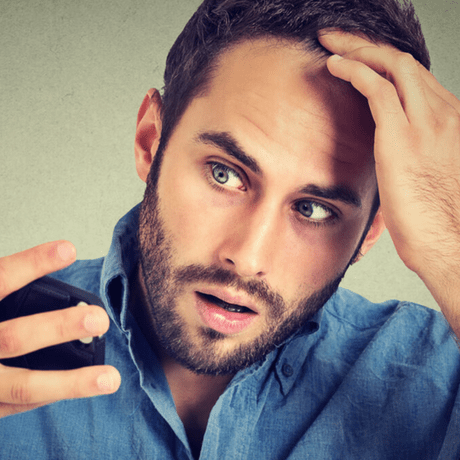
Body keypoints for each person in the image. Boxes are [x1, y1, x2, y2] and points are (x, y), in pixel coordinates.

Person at [1, 0, 459, 458]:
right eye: (225, 174)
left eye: (314, 209)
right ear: (150, 142)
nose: (248, 256)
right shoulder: (12, 334)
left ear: (372, 230)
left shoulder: (438, 372)